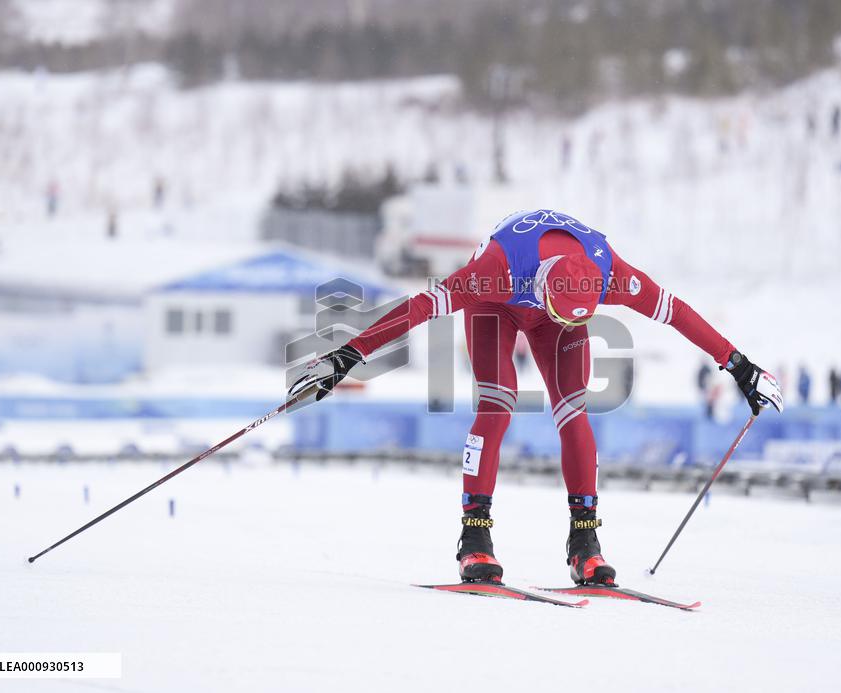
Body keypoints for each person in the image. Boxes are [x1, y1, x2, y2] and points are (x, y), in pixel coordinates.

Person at [288, 209, 783, 586]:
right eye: (564, 311)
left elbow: (676, 312)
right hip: (497, 306)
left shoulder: (608, 271)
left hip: (553, 317)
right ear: (545, 287)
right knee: (497, 405)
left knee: (573, 411)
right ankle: (475, 536)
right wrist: (347, 356)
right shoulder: (495, 268)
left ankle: (584, 541)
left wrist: (740, 367)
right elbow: (420, 307)